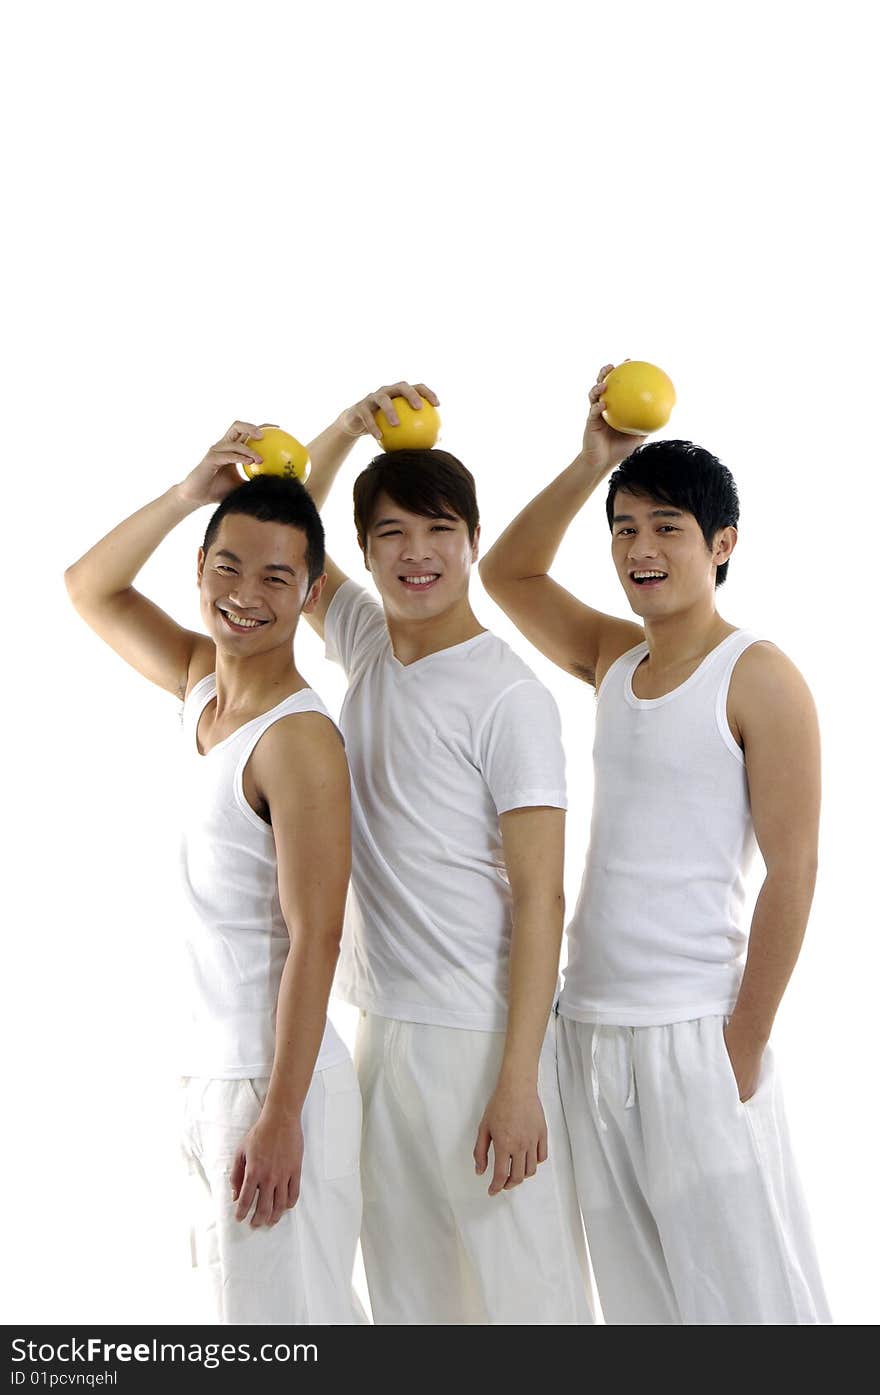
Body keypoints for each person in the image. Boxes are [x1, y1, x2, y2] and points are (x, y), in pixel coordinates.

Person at [479, 364, 831, 1325]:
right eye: (625, 528)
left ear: (721, 546)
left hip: (696, 1032)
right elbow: (506, 572)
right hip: (589, 1028)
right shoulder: (611, 655)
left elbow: (794, 874)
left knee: (747, 1303)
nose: (640, 548)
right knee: (642, 1309)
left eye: (666, 528)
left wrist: (743, 1043)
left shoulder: (758, 675)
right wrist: (594, 459)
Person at [299, 383, 593, 1325]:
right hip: (381, 1026)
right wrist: (347, 427)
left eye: (437, 529)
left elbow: (543, 895)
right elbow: (288, 530)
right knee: (411, 1297)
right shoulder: (365, 643)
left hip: (484, 1035)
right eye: (389, 534)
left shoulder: (511, 698)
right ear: (364, 551)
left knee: (527, 1296)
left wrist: (519, 1080)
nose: (414, 554)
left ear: (470, 538)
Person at [65, 423, 364, 1325]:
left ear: (311, 592)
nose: (246, 595)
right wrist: (190, 490)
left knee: (289, 1333)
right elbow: (89, 587)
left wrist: (279, 1113)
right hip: (209, 1074)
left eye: (277, 577)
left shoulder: (301, 742)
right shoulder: (203, 682)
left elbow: (320, 935)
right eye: (228, 568)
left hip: (270, 1081)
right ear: (199, 570)